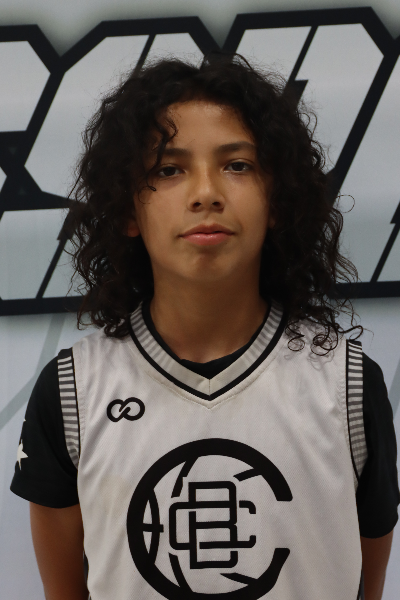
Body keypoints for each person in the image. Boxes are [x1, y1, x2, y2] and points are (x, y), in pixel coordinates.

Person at [10, 53, 399, 600]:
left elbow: (365, 584)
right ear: (127, 210)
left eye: (237, 165)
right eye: (168, 169)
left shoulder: (346, 382)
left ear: (277, 200)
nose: (206, 193)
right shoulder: (74, 390)